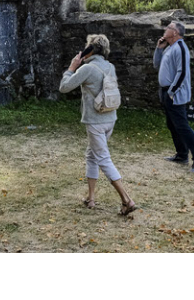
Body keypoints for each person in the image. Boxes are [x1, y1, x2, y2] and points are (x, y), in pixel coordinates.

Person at [59, 33, 139, 215]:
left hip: (95, 121)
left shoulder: (87, 69)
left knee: (103, 158)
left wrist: (72, 67)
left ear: (90, 49)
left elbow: (64, 87)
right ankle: (91, 198)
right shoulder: (109, 66)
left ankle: (127, 200)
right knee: (92, 155)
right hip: (110, 118)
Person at [154, 20, 194, 172]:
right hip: (166, 92)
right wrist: (159, 49)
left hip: (174, 95)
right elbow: (156, 64)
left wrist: (171, 93)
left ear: (175, 33)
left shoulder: (181, 48)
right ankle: (182, 154)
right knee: (172, 124)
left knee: (182, 126)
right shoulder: (169, 48)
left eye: (169, 28)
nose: (166, 29)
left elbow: (182, 73)